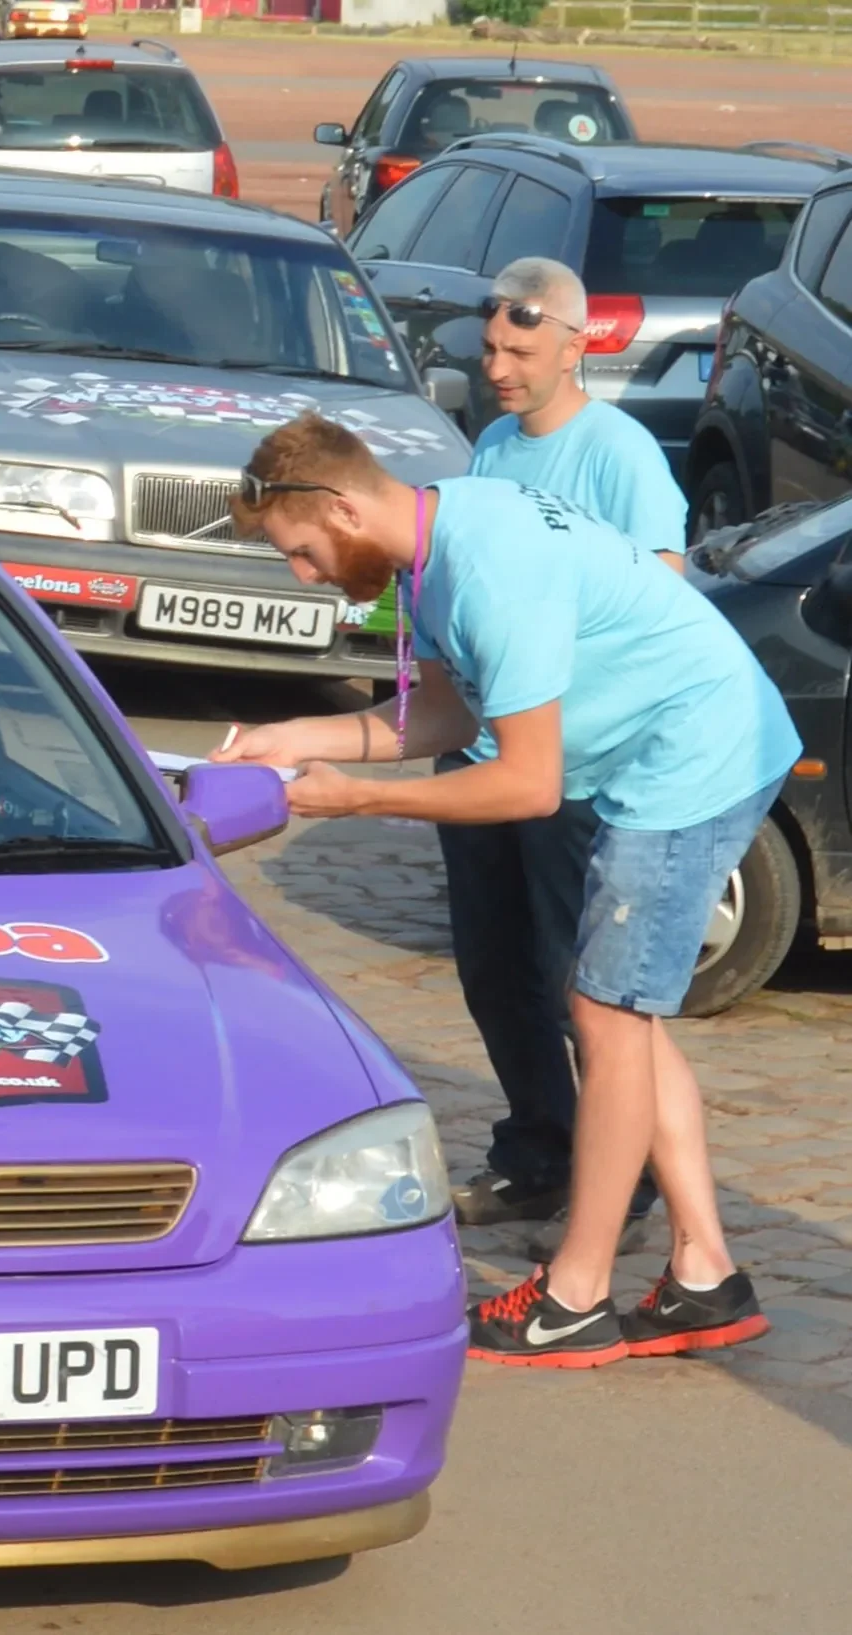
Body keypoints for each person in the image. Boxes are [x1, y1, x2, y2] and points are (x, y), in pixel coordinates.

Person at [215, 412, 797, 1366]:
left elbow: (527, 783)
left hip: (696, 754)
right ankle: (705, 1274)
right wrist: (299, 737)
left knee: (603, 1015)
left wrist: (357, 798)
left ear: (339, 506)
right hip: (671, 752)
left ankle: (575, 1296)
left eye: (303, 551)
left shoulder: (484, 570)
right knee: (625, 1017)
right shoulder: (434, 546)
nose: (305, 575)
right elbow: (445, 713)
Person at [447, 258, 690, 1261]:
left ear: (575, 345)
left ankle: (616, 1177)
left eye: (519, 350)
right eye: (491, 349)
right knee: (492, 969)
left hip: (576, 761)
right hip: (482, 745)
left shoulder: (620, 455)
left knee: (570, 976)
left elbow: (664, 597)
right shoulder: (494, 446)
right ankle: (537, 1149)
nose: (498, 368)